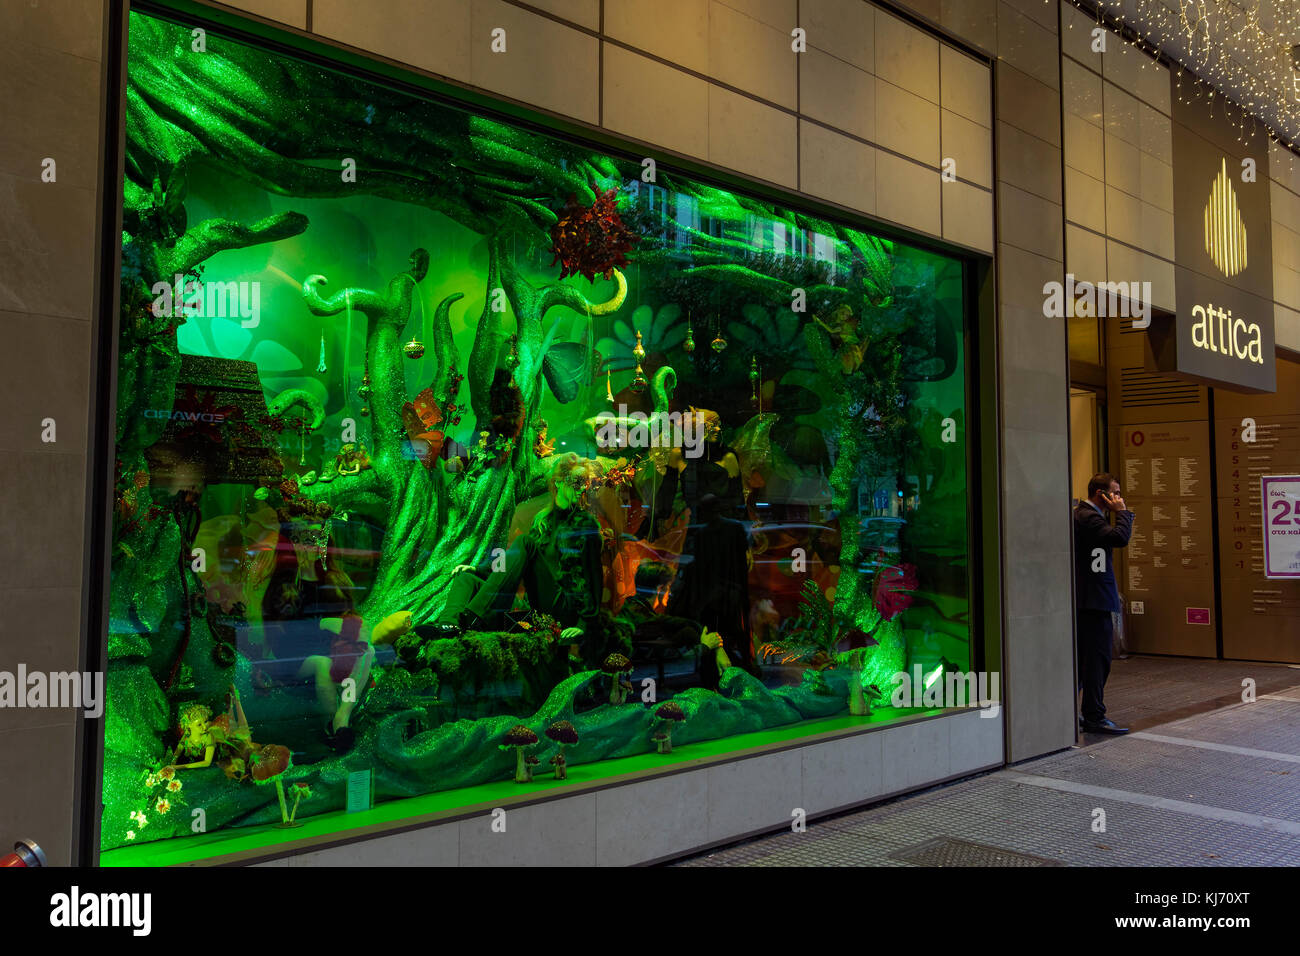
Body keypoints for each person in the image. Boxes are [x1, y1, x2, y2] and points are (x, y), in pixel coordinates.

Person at [430, 454, 604, 661]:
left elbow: (594, 577)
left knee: (523, 542)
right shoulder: (543, 520)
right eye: (576, 482)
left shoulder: (585, 525)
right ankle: (449, 625)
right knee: (466, 579)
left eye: (585, 483)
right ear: (558, 481)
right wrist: (480, 570)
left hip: (564, 607)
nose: (582, 488)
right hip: (540, 603)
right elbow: (515, 559)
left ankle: (475, 619)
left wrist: (583, 624)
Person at [1073, 473, 1135, 735]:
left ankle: (1073, 711)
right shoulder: (1088, 517)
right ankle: (1094, 716)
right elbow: (1119, 538)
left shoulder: (1085, 516)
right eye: (1116, 492)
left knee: (1084, 661)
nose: (1119, 498)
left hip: (1089, 599)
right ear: (1102, 494)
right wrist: (1123, 512)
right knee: (1097, 660)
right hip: (1093, 601)